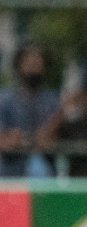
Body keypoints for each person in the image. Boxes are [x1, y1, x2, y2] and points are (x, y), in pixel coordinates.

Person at [0, 44, 60, 177]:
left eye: (39, 61)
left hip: (47, 173)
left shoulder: (53, 100)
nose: (34, 65)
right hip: (11, 173)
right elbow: (4, 139)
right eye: (29, 61)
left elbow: (55, 138)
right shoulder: (4, 99)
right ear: (18, 64)